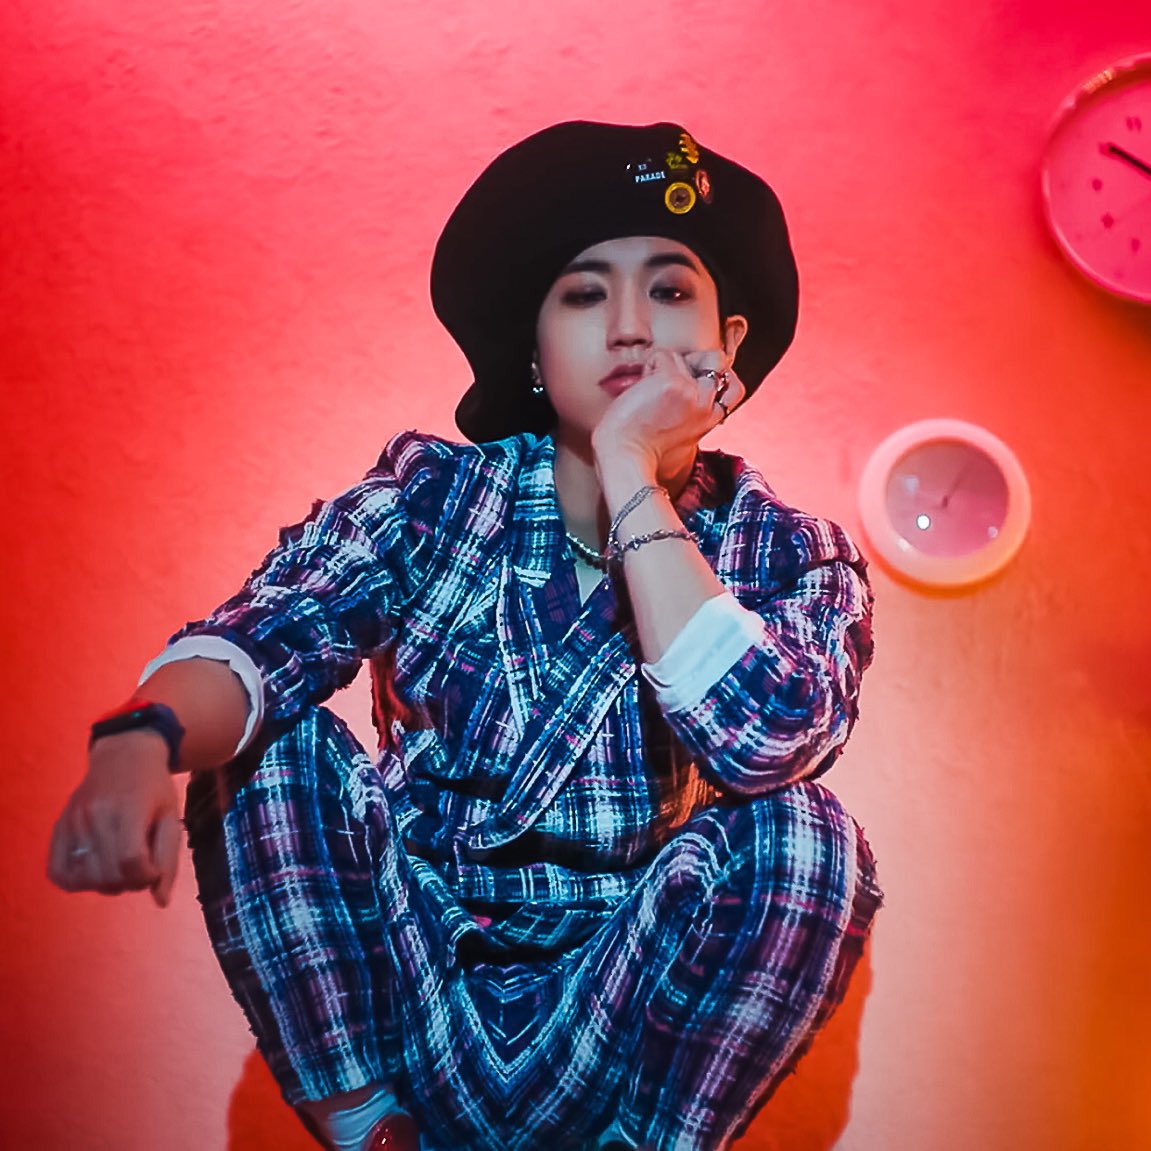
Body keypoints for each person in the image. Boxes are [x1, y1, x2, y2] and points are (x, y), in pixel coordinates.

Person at [47, 121, 882, 1151]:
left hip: (617, 1014)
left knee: (805, 833)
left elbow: (765, 740)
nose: (629, 328)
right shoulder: (433, 496)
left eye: (669, 290)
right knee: (271, 741)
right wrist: (139, 737)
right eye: (583, 295)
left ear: (729, 346)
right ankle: (366, 1124)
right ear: (532, 349)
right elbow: (271, 631)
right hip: (417, 977)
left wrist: (631, 470)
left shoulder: (791, 551)